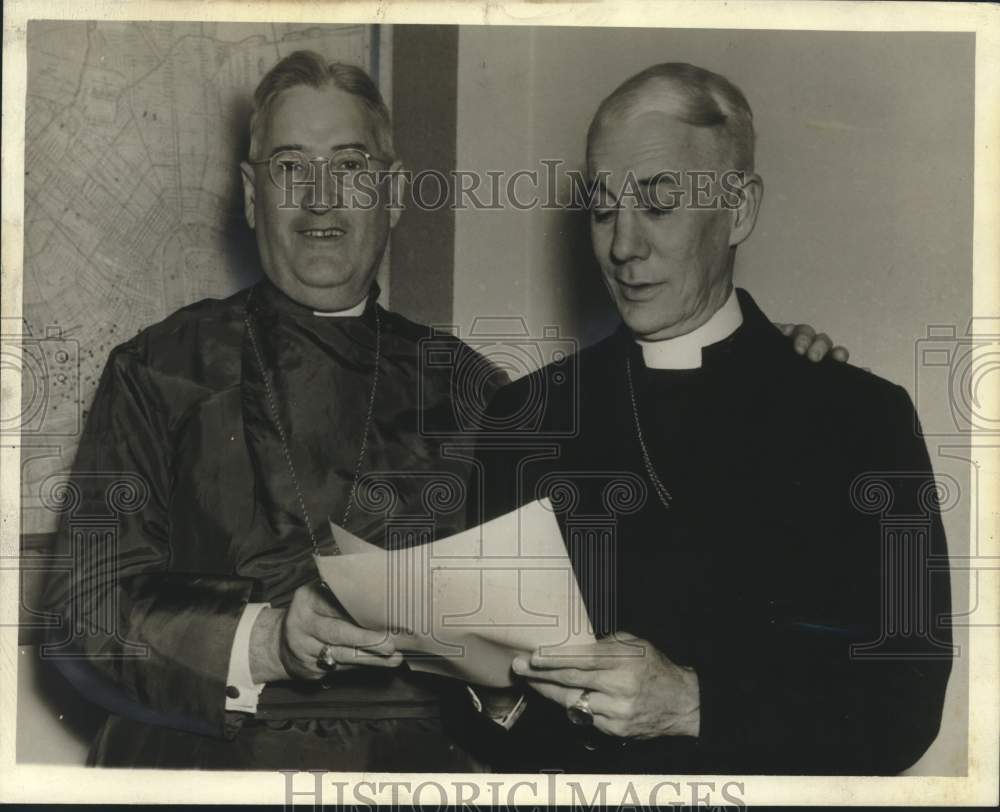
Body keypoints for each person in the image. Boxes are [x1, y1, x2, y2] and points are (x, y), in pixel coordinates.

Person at [40, 52, 846, 772]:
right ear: (253, 197)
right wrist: (266, 639)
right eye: (289, 167)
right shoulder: (158, 370)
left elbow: (596, 611)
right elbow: (81, 615)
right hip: (203, 770)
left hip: (418, 773)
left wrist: (765, 365)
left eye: (351, 166)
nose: (321, 198)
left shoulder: (478, 391)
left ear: (395, 194)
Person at [471, 62, 952, 775]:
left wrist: (695, 704)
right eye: (603, 209)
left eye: (659, 204)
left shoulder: (860, 418)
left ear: (740, 210)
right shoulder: (524, 418)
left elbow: (907, 703)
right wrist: (492, 696)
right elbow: (480, 707)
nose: (623, 246)